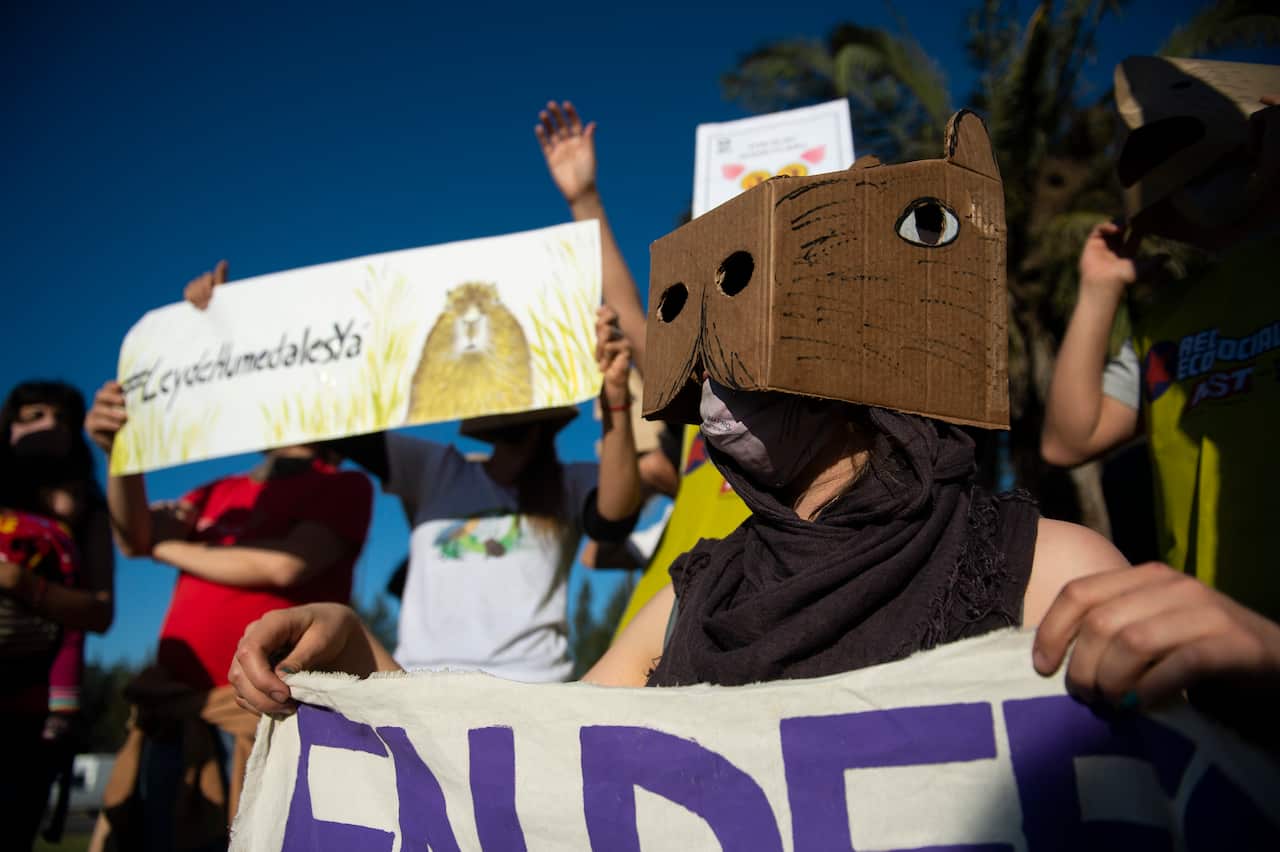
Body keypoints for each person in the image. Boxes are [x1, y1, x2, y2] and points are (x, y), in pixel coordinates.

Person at [186, 259, 599, 683]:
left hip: (533, 688)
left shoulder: (573, 482)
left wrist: (617, 398)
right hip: (418, 689)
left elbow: (614, 519)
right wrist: (235, 325)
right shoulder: (435, 468)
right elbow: (335, 416)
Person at [84, 280, 374, 850]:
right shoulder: (216, 490)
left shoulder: (343, 485)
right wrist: (121, 453)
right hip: (175, 710)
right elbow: (132, 531)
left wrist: (160, 549)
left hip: (260, 714)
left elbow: (284, 568)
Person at [1041, 60, 1280, 622]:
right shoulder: (1170, 316)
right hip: (1208, 641)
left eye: (1221, 168)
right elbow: (1068, 440)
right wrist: (1099, 290)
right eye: (1191, 180)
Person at [537, 101, 749, 633]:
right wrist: (584, 198)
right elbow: (629, 308)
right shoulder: (698, 386)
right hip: (666, 625)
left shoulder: (835, 393)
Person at [1, 381, 116, 851]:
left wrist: (22, 584)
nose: (46, 425)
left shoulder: (85, 513)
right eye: (30, 415)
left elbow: (98, 610)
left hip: (27, 717)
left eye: (58, 417)